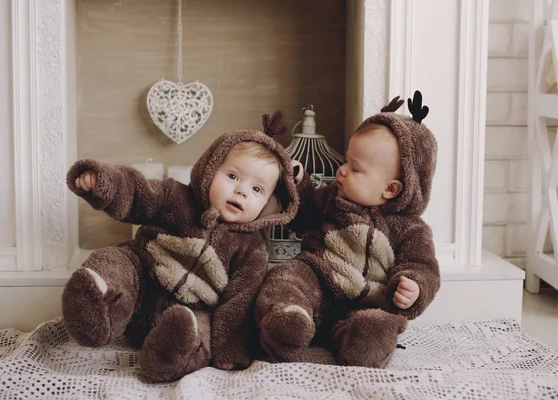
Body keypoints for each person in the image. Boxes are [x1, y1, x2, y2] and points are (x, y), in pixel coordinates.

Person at [62, 121, 299, 382]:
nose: (242, 191)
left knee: (200, 329)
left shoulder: (252, 250)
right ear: (211, 169)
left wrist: (230, 350)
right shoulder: (176, 197)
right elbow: (139, 193)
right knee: (116, 260)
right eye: (232, 176)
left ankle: (173, 350)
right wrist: (106, 183)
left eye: (257, 189)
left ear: (267, 204)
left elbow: (238, 303)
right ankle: (98, 300)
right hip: (143, 283)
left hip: (191, 309)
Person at [255, 92, 440, 368]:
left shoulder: (411, 230)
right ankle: (289, 321)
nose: (341, 171)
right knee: (287, 278)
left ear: (390, 189)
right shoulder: (333, 199)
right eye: (345, 161)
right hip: (318, 278)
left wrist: (414, 286)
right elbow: (303, 215)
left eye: (355, 168)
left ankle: (361, 341)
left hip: (367, 301)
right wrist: (298, 182)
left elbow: (423, 266)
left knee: (373, 327)